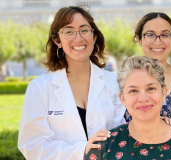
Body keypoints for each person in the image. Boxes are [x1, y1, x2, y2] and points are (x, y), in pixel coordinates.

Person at [18, 6, 126, 160]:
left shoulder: (115, 83)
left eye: (84, 30)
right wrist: (82, 150)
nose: (78, 38)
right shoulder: (40, 87)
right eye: (69, 31)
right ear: (57, 40)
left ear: (94, 36)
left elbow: (127, 132)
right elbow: (32, 146)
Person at [85, 56, 171, 160]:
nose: (143, 98)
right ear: (122, 99)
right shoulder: (104, 148)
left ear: (163, 93)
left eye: (151, 88)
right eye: (133, 91)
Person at [125, 12, 171, 128]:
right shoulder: (126, 79)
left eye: (164, 35)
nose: (158, 42)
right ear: (139, 39)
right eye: (150, 35)